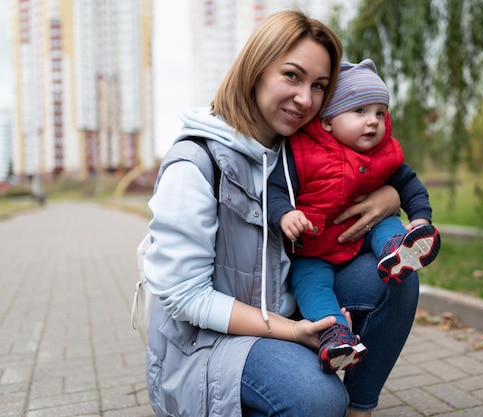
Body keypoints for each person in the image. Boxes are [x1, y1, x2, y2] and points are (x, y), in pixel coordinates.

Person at [144, 10, 419, 417]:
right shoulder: (196, 164)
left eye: (319, 86)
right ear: (256, 70)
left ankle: (359, 409)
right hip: (207, 344)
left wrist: (391, 196)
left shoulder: (292, 150)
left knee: (397, 274)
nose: (306, 99)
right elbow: (185, 297)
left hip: (285, 311)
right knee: (316, 399)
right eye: (292, 76)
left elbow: (367, 162)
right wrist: (291, 331)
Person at [267, 59, 441, 374]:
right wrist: (285, 215)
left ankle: (398, 249)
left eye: (379, 113)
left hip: (362, 241)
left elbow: (411, 186)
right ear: (329, 121)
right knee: (309, 284)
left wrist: (420, 219)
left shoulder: (384, 153)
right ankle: (334, 334)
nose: (373, 121)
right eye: (359, 112)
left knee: (385, 219)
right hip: (314, 250)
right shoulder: (303, 153)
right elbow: (275, 188)